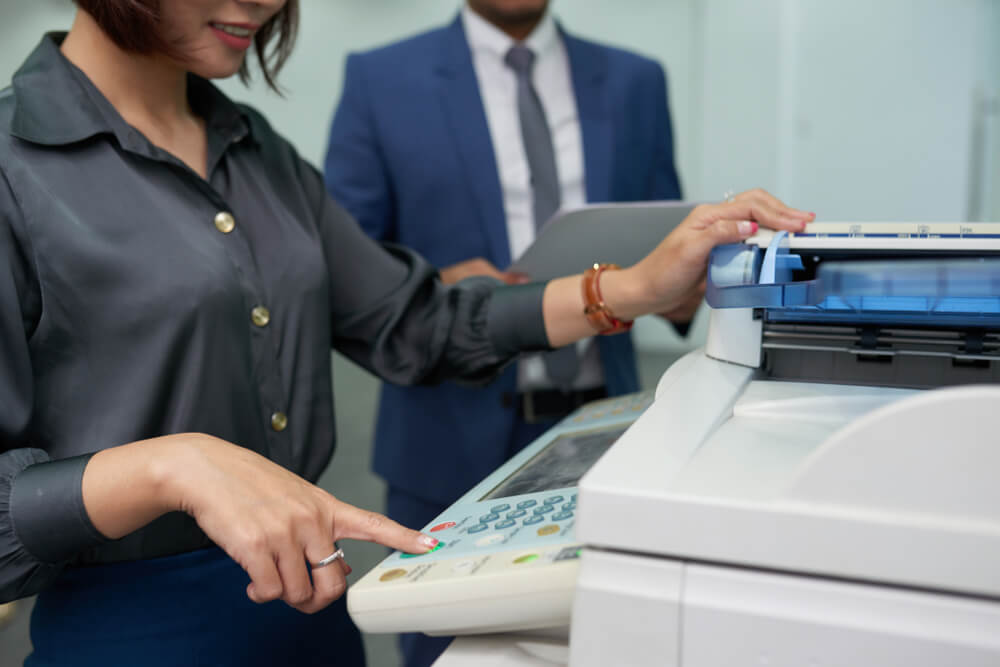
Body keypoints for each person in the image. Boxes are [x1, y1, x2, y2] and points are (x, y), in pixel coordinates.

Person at [0, 0, 812, 665]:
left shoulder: (257, 152)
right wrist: (171, 463)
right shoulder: (14, 169)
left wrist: (633, 286)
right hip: (133, 634)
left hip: (315, 614)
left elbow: (415, 321)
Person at [324, 1, 695, 663]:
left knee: (615, 643)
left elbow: (663, 237)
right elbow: (345, 264)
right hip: (445, 438)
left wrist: (686, 282)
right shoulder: (381, 79)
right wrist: (435, 284)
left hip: (609, 428)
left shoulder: (637, 81)